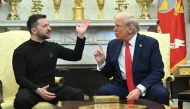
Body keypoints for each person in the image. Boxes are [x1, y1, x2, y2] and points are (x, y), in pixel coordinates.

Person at [12, 14, 90, 109]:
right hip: (30, 89)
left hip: (51, 89)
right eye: (45, 26)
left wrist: (80, 35)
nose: (49, 28)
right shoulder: (20, 51)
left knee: (76, 94)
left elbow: (76, 56)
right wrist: (38, 90)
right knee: (21, 100)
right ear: (34, 30)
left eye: (48, 25)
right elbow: (20, 77)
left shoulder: (53, 47)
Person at [93, 12, 169, 105]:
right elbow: (109, 74)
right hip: (122, 85)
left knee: (161, 94)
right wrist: (101, 62)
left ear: (130, 29)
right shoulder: (113, 44)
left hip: (147, 85)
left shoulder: (150, 43)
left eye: (118, 26)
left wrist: (139, 89)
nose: (114, 29)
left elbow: (157, 71)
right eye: (115, 26)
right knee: (103, 92)